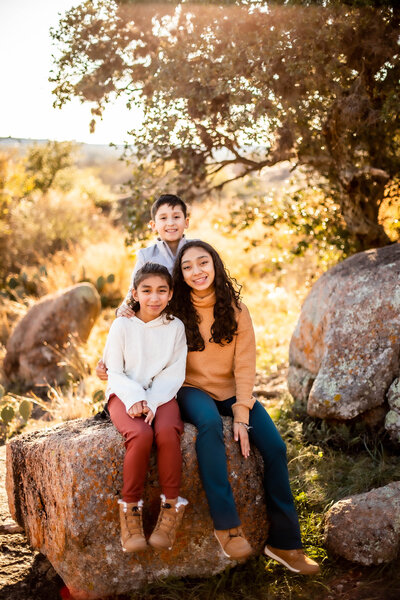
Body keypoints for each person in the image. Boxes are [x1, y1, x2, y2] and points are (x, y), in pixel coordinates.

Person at [168, 240, 320, 574]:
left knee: (276, 448)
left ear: (216, 265)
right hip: (190, 388)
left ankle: (285, 543)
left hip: (231, 390)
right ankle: (227, 526)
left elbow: (246, 365)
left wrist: (241, 412)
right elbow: (140, 314)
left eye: (203, 263)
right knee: (208, 425)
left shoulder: (236, 309)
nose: (197, 271)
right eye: (187, 266)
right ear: (180, 274)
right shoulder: (174, 309)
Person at [102, 262, 188, 553]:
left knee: (166, 432)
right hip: (123, 393)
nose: (154, 298)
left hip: (162, 395)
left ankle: (171, 508)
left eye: (161, 291)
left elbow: (174, 373)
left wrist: (151, 402)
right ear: (135, 294)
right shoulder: (122, 325)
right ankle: (130, 510)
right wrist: (134, 398)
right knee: (140, 434)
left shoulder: (175, 327)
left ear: (171, 293)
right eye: (147, 291)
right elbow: (114, 370)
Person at [117, 193, 191, 319]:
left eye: (176, 217)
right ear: (153, 225)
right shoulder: (146, 255)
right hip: (161, 318)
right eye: (163, 218)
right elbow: (134, 288)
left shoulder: (197, 249)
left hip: (193, 314)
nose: (170, 223)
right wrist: (124, 307)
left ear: (186, 222)